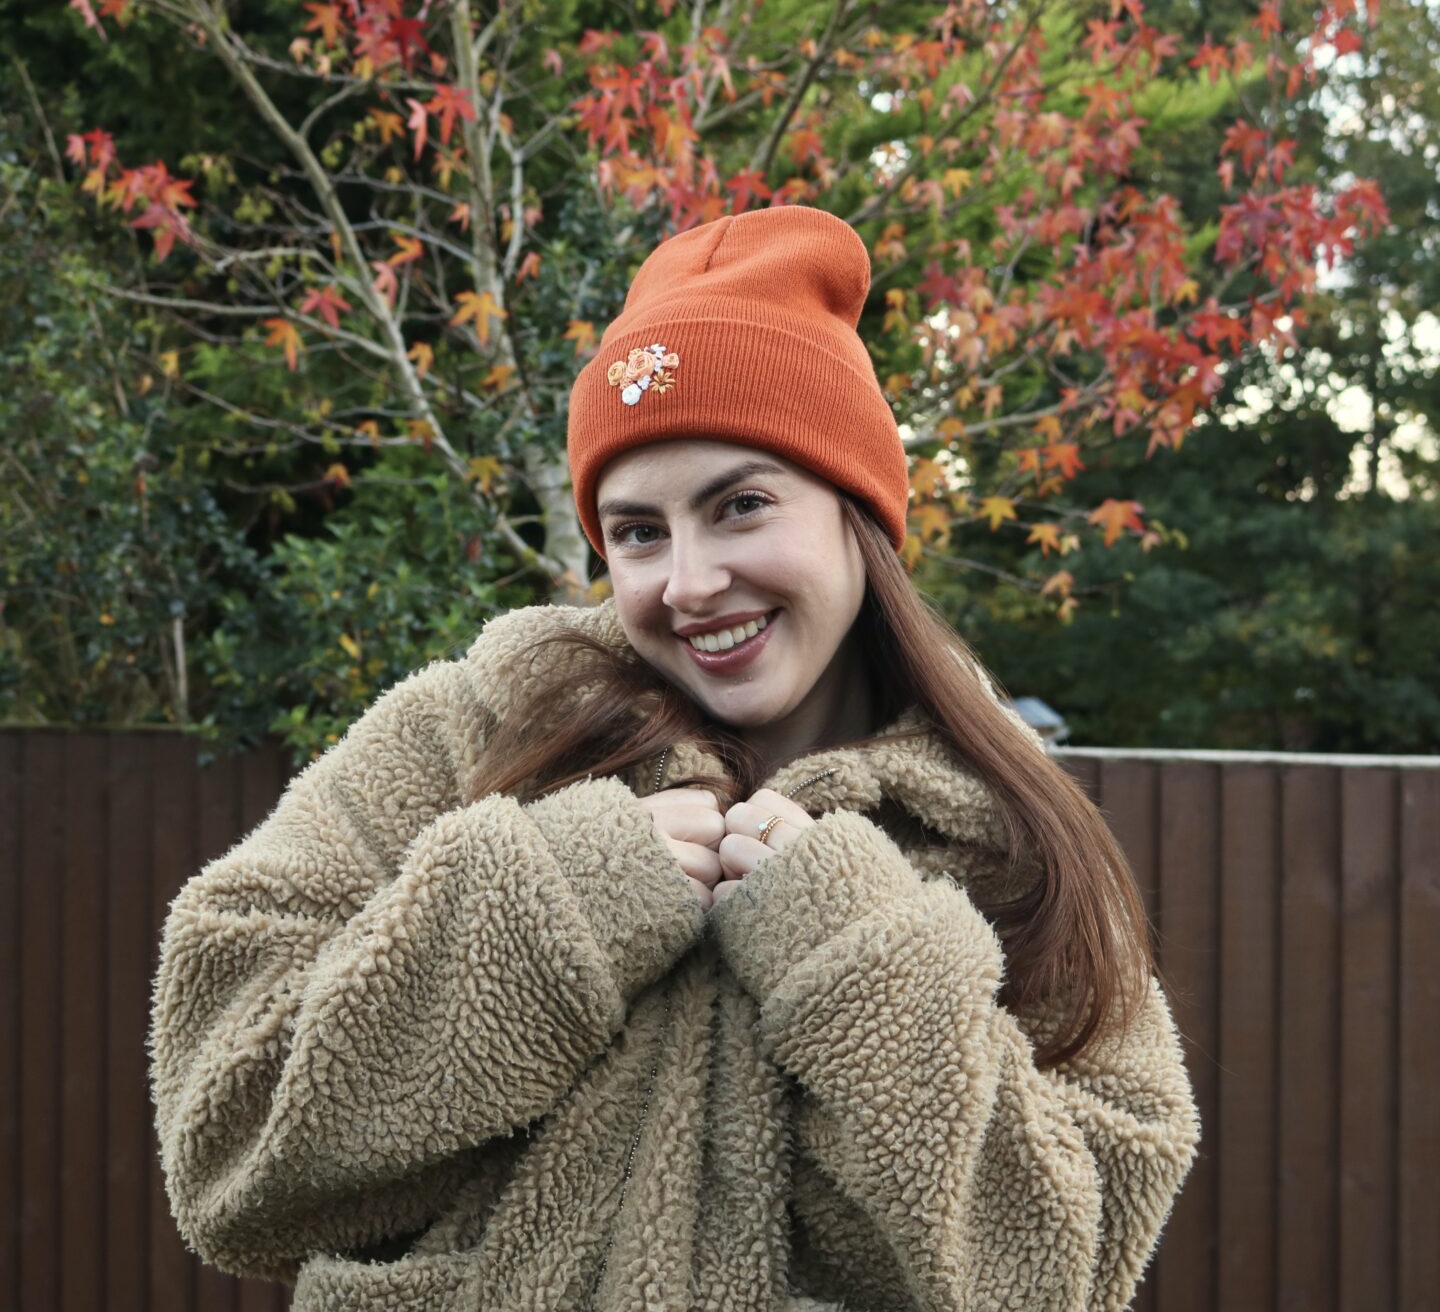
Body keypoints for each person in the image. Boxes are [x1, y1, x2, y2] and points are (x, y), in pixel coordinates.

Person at [150, 205, 1200, 1311]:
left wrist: (858, 956)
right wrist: (547, 905)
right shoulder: (463, 737)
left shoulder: (1002, 830)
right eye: (638, 532)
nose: (688, 581)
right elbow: (224, 1157)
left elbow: (1067, 1266)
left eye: (741, 505)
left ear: (860, 515)